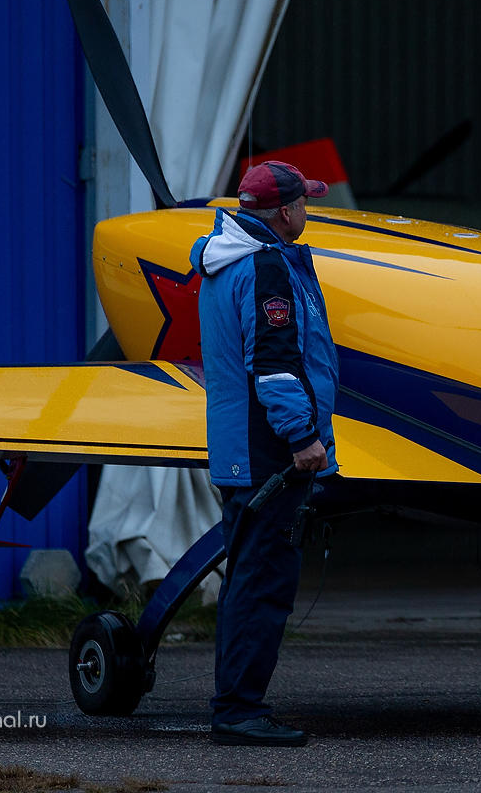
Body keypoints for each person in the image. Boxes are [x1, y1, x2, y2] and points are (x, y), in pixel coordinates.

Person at [190, 160, 339, 747]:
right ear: (284, 211)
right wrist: (302, 438)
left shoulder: (224, 261)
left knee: (246, 578)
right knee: (264, 582)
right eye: (303, 202)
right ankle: (238, 711)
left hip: (239, 446)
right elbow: (275, 365)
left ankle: (237, 704)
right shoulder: (267, 266)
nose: (307, 211)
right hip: (269, 450)